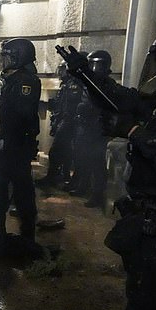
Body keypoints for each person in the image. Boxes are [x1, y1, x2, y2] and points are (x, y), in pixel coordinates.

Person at [62, 27, 156, 310]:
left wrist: (133, 132)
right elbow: (123, 100)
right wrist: (85, 75)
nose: (153, 68)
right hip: (152, 223)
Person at [0, 38, 43, 258]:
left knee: (19, 189)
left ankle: (26, 237)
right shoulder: (14, 80)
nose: (2, 61)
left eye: (6, 56)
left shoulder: (25, 82)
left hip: (19, 147)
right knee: (1, 184)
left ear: (18, 58)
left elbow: (20, 120)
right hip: (13, 144)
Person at [69, 50, 112, 208]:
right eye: (91, 64)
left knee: (97, 163)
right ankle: (83, 186)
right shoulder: (89, 82)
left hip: (98, 129)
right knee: (83, 158)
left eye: (97, 65)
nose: (94, 68)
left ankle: (97, 194)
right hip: (85, 126)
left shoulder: (107, 84)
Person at [36, 63, 84, 188]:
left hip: (69, 122)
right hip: (64, 121)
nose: (60, 73)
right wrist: (44, 104)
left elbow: (69, 107)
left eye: (63, 70)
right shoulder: (66, 85)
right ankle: (65, 176)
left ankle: (53, 178)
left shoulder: (75, 85)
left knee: (56, 151)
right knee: (66, 152)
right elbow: (58, 104)